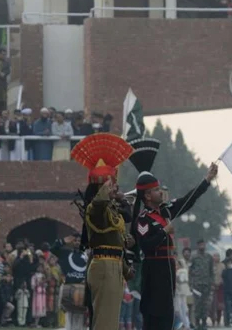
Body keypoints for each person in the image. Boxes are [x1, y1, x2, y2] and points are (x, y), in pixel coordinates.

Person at [133, 165, 218, 329]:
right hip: (154, 269)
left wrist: (206, 180)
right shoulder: (143, 219)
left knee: (167, 312)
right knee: (153, 313)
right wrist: (164, 231)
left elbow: (188, 200)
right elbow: (146, 246)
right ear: (148, 195)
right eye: (156, 190)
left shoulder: (166, 211)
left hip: (168, 268)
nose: (161, 192)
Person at [71, 133, 135, 330]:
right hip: (104, 266)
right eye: (111, 183)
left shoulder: (111, 211)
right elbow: (98, 203)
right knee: (104, 321)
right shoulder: (95, 209)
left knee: (110, 319)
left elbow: (115, 243)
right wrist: (106, 186)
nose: (115, 187)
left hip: (113, 265)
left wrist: (125, 269)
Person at [51, 235, 88, 330]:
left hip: (82, 288)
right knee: (69, 314)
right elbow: (53, 249)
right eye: (75, 240)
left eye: (79, 240)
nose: (77, 242)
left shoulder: (87, 256)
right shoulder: (66, 253)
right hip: (69, 287)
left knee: (80, 316)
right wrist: (63, 241)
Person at [190, 239, 215, 330]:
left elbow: (211, 271)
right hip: (197, 285)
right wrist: (190, 284)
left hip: (206, 285)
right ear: (197, 245)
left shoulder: (209, 257)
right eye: (200, 244)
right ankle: (197, 323)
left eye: (203, 244)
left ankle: (204, 323)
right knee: (197, 304)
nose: (202, 246)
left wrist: (212, 283)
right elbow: (190, 271)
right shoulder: (193, 257)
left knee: (205, 304)